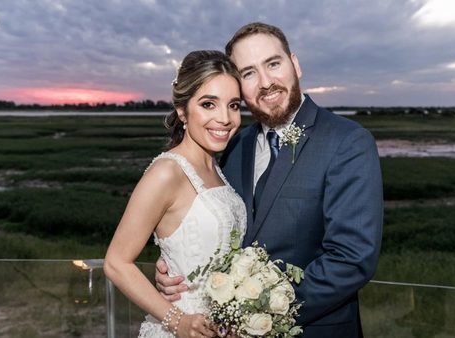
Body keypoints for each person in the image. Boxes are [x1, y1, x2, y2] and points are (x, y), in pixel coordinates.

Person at [156, 22, 384, 338]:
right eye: (248, 73)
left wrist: (253, 311)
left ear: (296, 64)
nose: (266, 82)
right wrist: (180, 270)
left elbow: (351, 259)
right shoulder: (235, 144)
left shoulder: (347, 142)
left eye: (273, 64)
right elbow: (221, 229)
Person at [104, 50, 246, 338]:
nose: (225, 118)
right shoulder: (167, 172)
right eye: (209, 104)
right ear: (182, 110)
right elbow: (116, 263)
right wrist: (178, 321)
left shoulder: (217, 168)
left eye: (233, 105)